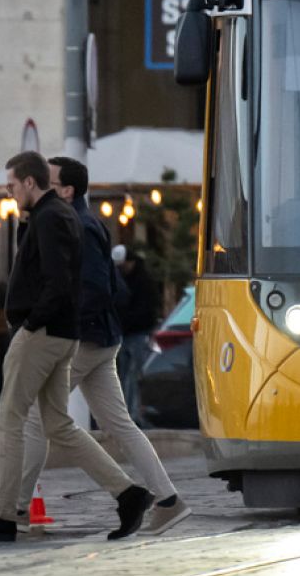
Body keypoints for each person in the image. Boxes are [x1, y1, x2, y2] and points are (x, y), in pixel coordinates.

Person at [0, 151, 154, 542]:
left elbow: (59, 282)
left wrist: (30, 323)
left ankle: (4, 514)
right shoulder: (57, 216)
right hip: (62, 335)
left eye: (11, 185)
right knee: (58, 424)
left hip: (43, 335)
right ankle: (129, 494)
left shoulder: (50, 218)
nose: (8, 192)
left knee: (10, 419)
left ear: (29, 182)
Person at [16, 158, 192, 536]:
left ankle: (14, 512)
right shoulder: (74, 223)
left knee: (32, 415)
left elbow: (97, 288)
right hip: (98, 339)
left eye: (49, 182)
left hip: (83, 339)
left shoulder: (76, 225)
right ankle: (168, 501)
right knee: (119, 424)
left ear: (66, 191)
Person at [114, 244, 159, 421]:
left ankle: (131, 414)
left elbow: (146, 309)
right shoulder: (131, 279)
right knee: (125, 375)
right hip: (128, 333)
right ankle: (129, 414)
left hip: (137, 334)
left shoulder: (142, 282)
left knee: (132, 375)